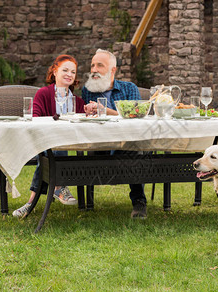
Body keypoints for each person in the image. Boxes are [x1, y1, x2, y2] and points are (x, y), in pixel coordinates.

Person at [13, 54, 86, 217]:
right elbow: (35, 117)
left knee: (49, 157)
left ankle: (31, 203)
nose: (69, 74)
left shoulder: (76, 101)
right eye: (65, 70)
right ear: (54, 71)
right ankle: (59, 187)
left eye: (73, 72)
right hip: (43, 141)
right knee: (51, 150)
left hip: (66, 144)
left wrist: (88, 111)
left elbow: (83, 120)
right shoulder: (43, 94)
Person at [82, 49, 148, 219]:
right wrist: (87, 111)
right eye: (92, 65)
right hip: (98, 144)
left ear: (112, 70)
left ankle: (139, 202)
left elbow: (136, 116)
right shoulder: (88, 90)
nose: (94, 69)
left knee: (135, 150)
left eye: (99, 65)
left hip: (126, 144)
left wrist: (106, 111)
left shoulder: (129, 88)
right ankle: (87, 202)